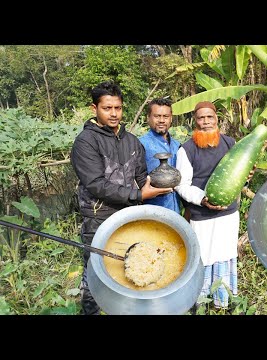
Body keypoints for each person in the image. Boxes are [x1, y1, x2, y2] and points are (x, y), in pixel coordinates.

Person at [70, 80, 172, 315]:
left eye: (118, 108)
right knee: (94, 274)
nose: (114, 114)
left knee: (130, 269)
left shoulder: (131, 141)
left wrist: (150, 184)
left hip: (129, 216)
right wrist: (138, 194)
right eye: (107, 108)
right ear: (94, 108)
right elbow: (95, 184)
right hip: (99, 217)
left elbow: (140, 176)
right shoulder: (86, 142)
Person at [175, 101, 252, 309]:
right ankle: (201, 305)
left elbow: (237, 177)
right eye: (201, 118)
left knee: (225, 255)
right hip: (201, 217)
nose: (206, 122)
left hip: (228, 216)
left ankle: (222, 302)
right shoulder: (187, 150)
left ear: (216, 118)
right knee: (203, 258)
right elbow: (181, 185)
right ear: (195, 121)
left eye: (210, 117)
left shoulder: (230, 143)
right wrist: (202, 199)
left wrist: (246, 176)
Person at [139, 97, 181, 213]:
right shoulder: (141, 144)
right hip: (152, 211)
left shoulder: (177, 145)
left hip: (176, 210)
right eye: (157, 116)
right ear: (148, 118)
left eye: (165, 116)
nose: (162, 120)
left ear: (171, 118)